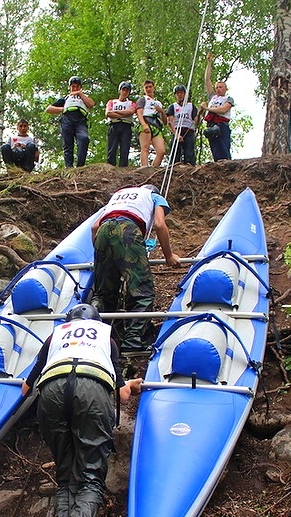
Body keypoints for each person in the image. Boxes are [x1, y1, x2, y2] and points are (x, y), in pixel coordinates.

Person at [21, 303, 143, 517]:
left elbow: (26, 388)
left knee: (65, 477)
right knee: (90, 478)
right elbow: (121, 395)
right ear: (95, 322)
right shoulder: (107, 338)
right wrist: (133, 386)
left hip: (50, 393)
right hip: (91, 391)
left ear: (69, 321)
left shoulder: (54, 338)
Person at [90, 184, 181, 352]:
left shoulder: (119, 194)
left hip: (103, 231)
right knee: (142, 291)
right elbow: (159, 224)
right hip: (128, 229)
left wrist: (101, 256)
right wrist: (169, 256)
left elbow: (94, 227)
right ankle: (133, 341)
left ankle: (91, 336)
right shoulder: (154, 196)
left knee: (104, 293)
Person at [46, 76, 95, 167]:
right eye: (73, 86)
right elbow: (49, 109)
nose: (75, 88)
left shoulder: (84, 97)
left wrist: (80, 94)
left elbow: (91, 104)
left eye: (77, 86)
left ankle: (80, 166)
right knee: (68, 144)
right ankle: (69, 167)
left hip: (80, 120)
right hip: (67, 119)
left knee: (84, 139)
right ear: (70, 87)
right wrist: (63, 108)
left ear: (80, 87)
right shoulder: (65, 98)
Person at [200, 52, 235, 161]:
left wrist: (207, 109)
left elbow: (223, 110)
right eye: (217, 87)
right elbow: (207, 80)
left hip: (222, 125)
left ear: (225, 89)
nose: (218, 89)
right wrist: (209, 62)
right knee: (215, 150)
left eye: (221, 87)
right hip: (211, 125)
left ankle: (228, 166)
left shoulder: (228, 99)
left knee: (224, 148)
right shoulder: (213, 97)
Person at [135, 80, 168, 167]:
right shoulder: (143, 99)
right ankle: (144, 167)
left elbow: (165, 122)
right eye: (146, 87)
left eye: (150, 87)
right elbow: (139, 112)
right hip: (146, 121)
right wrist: (144, 124)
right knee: (145, 148)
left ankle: (153, 169)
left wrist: (162, 111)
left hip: (157, 126)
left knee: (161, 151)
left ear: (154, 88)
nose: (148, 89)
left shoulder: (158, 103)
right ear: (144, 89)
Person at [105, 81, 136, 167]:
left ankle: (123, 168)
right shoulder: (112, 102)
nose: (125, 92)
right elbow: (108, 113)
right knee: (112, 148)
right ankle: (110, 167)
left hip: (126, 126)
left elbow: (131, 112)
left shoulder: (131, 103)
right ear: (120, 91)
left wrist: (115, 112)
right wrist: (123, 113)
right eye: (123, 90)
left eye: (127, 91)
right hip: (114, 125)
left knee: (125, 149)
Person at [166, 85, 198, 166]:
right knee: (175, 153)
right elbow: (170, 122)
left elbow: (196, 121)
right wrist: (176, 134)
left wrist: (199, 116)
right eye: (177, 93)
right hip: (177, 131)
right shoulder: (172, 107)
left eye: (181, 93)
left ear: (185, 94)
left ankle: (189, 168)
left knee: (189, 153)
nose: (179, 95)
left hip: (189, 131)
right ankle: (174, 168)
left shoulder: (191, 106)